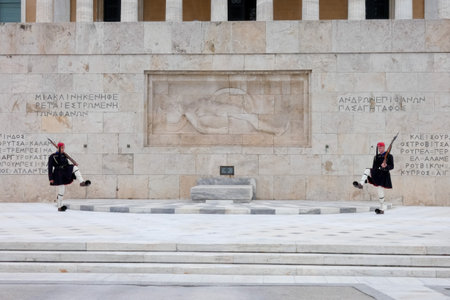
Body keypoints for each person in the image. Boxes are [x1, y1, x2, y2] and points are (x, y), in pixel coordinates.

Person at [353, 142, 394, 214]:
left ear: (384, 148)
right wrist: (374, 172)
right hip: (377, 173)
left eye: (381, 147)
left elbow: (392, 166)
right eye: (378, 147)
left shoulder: (389, 156)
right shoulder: (376, 157)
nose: (379, 149)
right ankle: (361, 184)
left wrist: (385, 166)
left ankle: (381, 209)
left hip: (384, 175)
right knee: (368, 170)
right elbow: (374, 167)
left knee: (380, 190)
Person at [48, 142, 91, 211]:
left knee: (75, 168)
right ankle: (60, 206)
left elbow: (67, 164)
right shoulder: (52, 156)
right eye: (62, 148)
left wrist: (73, 164)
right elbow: (50, 168)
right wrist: (51, 178)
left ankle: (82, 182)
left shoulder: (64, 155)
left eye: (63, 148)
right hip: (58, 173)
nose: (63, 149)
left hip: (65, 170)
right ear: (58, 148)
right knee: (62, 190)